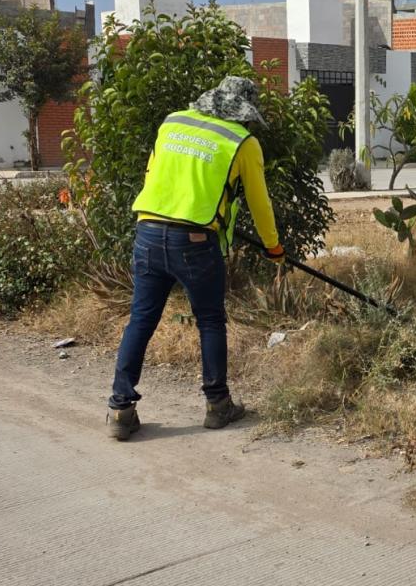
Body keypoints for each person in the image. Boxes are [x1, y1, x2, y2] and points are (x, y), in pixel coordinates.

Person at [107, 76, 285, 441]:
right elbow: (258, 202)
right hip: (195, 240)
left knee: (140, 320)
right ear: (244, 113)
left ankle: (120, 410)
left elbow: (153, 175)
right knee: (209, 321)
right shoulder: (242, 142)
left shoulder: (173, 122)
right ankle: (218, 406)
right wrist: (273, 246)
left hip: (148, 230)